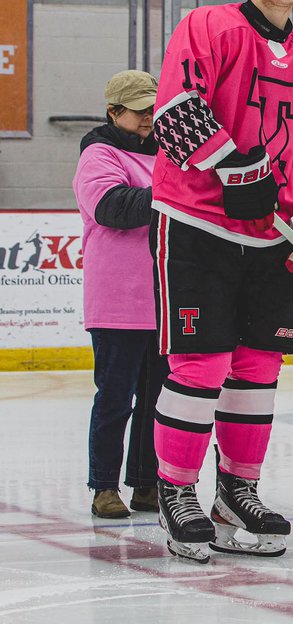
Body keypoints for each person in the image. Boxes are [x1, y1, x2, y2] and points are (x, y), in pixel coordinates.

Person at [150, 0, 293, 563]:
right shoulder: (207, 27)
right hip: (200, 222)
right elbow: (176, 108)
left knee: (258, 369)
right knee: (201, 367)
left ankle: (237, 489)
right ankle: (176, 490)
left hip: (272, 236)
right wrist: (237, 167)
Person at [74, 70, 168, 520]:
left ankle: (148, 484)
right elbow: (112, 207)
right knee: (115, 397)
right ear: (114, 112)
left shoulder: (166, 154)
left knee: (159, 399)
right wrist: (174, 193)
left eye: (154, 107)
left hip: (165, 297)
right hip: (117, 299)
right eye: (141, 110)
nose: (151, 117)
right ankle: (104, 486)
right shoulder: (98, 154)